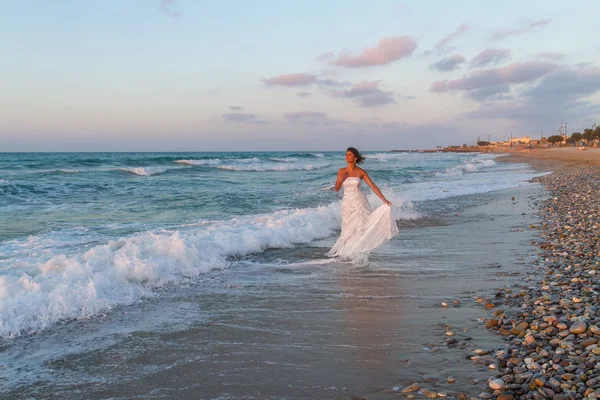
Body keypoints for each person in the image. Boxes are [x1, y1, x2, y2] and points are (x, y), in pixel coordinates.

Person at [327, 147, 399, 259]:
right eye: (346, 154)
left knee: (361, 226)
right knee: (347, 228)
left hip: (360, 202)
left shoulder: (361, 172)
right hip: (347, 203)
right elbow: (337, 188)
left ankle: (358, 251)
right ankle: (347, 251)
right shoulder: (341, 171)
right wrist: (341, 179)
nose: (346, 157)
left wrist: (384, 200)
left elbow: (373, 186)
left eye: (349, 155)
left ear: (355, 158)